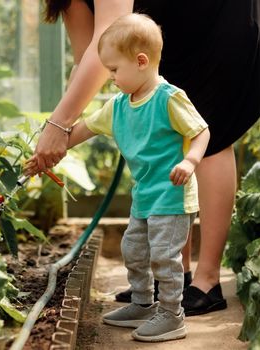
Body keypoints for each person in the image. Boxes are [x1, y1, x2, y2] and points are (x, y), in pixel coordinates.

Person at [28, 0, 260, 317]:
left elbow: (107, 34)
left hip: (217, 16)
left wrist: (58, 125)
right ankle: (178, 277)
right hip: (165, 26)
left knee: (207, 130)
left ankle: (208, 281)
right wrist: (64, 129)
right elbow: (91, 59)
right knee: (166, 125)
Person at [31, 13, 209, 342]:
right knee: (133, 249)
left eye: (114, 70)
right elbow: (81, 130)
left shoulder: (169, 98)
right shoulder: (119, 106)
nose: (110, 78)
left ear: (141, 61)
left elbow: (201, 131)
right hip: (144, 197)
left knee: (164, 256)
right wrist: (47, 154)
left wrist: (190, 161)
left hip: (171, 196)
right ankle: (142, 304)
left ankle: (172, 314)